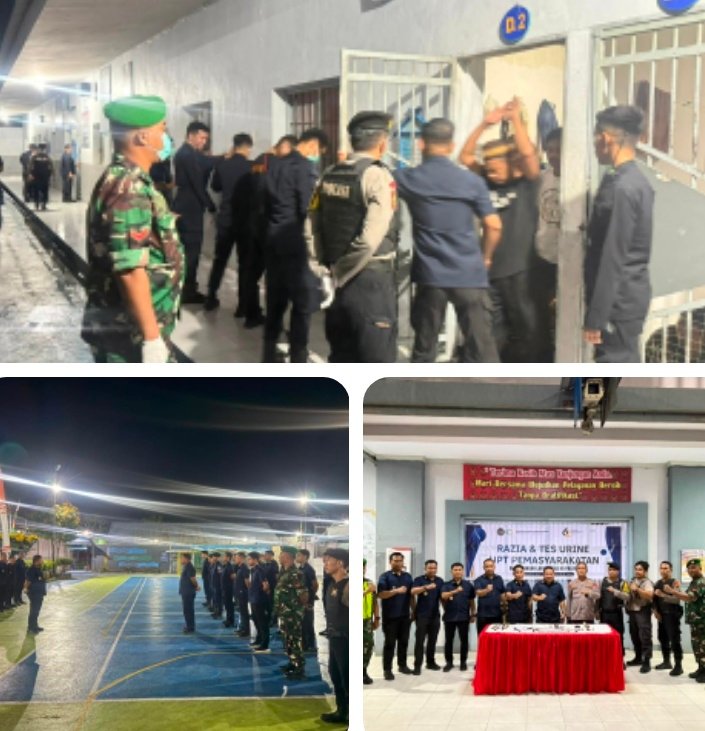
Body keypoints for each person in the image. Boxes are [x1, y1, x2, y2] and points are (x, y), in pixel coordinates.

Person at [81, 95, 184, 363]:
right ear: (142, 137)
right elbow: (129, 270)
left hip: (131, 329)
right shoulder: (128, 187)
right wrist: (151, 339)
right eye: (162, 129)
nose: (166, 138)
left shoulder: (130, 180)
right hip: (129, 337)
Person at [394, 118, 501, 363]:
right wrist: (485, 258)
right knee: (482, 349)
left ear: (421, 144)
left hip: (430, 276)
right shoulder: (472, 181)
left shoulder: (409, 178)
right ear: (451, 146)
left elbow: (376, 178)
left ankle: (416, 387)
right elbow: (494, 225)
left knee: (424, 349)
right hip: (469, 273)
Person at [307, 111, 399, 363]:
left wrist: (323, 271)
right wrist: (340, 272)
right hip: (369, 281)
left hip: (334, 280)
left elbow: (310, 226)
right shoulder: (378, 177)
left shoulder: (328, 174)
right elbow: (369, 240)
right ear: (382, 144)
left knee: (341, 355)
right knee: (376, 363)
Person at [459, 98, 541, 362]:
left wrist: (515, 119)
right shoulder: (486, 181)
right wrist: (485, 124)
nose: (491, 174)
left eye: (496, 169)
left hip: (522, 272)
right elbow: (465, 157)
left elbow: (528, 155)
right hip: (492, 271)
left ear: (511, 164)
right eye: (489, 170)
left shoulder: (527, 183)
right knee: (495, 333)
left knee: (528, 332)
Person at [584, 106, 654, 362]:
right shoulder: (624, 179)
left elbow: (614, 255)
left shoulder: (624, 187)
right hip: (623, 297)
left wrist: (597, 316)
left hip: (618, 302)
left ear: (605, 138)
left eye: (594, 137)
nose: (594, 145)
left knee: (614, 368)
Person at [263, 128, 329, 362]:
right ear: (313, 145)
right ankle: (298, 356)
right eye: (319, 151)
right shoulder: (305, 169)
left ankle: (268, 353)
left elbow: (266, 202)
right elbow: (309, 209)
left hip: (273, 239)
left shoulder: (275, 164)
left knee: (275, 300)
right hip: (296, 242)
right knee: (302, 303)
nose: (317, 156)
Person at [246, 135, 297, 329]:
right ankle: (274, 320)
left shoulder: (260, 160)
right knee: (274, 276)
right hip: (272, 226)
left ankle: (251, 314)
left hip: (255, 223)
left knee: (252, 272)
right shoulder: (279, 165)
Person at [205, 133, 254, 316]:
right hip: (245, 221)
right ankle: (242, 306)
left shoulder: (223, 165)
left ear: (234, 146)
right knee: (244, 264)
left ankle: (211, 297)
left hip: (226, 219)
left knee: (220, 260)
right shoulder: (251, 167)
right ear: (248, 147)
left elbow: (215, 187)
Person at [173, 120, 216, 303]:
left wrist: (221, 158)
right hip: (189, 209)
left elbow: (205, 162)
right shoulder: (187, 155)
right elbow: (197, 183)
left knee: (186, 251)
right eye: (201, 138)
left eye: (206, 139)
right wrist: (210, 204)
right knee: (192, 251)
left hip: (185, 205)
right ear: (190, 135)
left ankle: (184, 288)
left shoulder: (187, 153)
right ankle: (188, 291)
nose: (204, 142)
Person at [533, 127, 562, 362]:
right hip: (543, 257)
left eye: (558, 150)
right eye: (549, 150)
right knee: (543, 313)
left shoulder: (579, 181)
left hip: (570, 261)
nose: (552, 155)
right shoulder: (543, 179)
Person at [660, 558, 705, 682]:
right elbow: (685, 597)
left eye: (694, 568)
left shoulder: (701, 582)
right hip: (695, 620)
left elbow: (690, 598)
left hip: (702, 620)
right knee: (697, 646)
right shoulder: (694, 582)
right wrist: (674, 592)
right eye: (689, 568)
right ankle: (701, 668)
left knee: (703, 646)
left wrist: (672, 591)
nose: (691, 570)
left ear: (700, 568)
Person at [321, 548, 349, 725]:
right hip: (334, 638)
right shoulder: (332, 585)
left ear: (340, 563)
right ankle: (342, 711)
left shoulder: (348, 586)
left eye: (328, 560)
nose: (325, 564)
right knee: (336, 675)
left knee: (347, 678)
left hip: (346, 639)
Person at [377, 551, 413, 680]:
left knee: (403, 642)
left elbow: (411, 596)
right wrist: (396, 591)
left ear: (403, 562)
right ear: (390, 562)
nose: (398, 563)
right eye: (395, 561)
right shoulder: (385, 577)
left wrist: (414, 610)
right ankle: (387, 670)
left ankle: (402, 666)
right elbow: (381, 594)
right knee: (390, 644)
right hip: (390, 617)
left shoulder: (408, 577)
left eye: (400, 561)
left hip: (404, 616)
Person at [274, 546, 308, 679]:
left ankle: (299, 668)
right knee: (288, 640)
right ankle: (292, 662)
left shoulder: (295, 573)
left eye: (281, 554)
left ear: (287, 556)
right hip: (285, 612)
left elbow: (303, 594)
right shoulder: (284, 572)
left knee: (294, 640)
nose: (279, 556)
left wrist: (298, 610)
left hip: (292, 613)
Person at [410, 559, 444, 675]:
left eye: (434, 568)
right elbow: (413, 591)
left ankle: (430, 662)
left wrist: (446, 610)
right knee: (420, 641)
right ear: (425, 569)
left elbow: (441, 597)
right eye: (430, 568)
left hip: (435, 615)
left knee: (432, 640)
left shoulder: (440, 581)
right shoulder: (419, 580)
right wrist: (426, 587)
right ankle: (417, 665)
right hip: (422, 615)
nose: (432, 570)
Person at [441, 562, 476, 672]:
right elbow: (443, 596)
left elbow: (471, 601)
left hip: (464, 617)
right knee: (449, 641)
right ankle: (449, 662)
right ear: (451, 571)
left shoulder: (468, 585)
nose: (457, 572)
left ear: (463, 571)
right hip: (449, 617)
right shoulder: (446, 585)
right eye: (455, 570)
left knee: (464, 641)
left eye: (460, 570)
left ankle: (463, 662)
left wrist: (473, 613)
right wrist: (455, 591)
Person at [652, 560, 684, 675]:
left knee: (674, 640)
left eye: (666, 568)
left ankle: (678, 666)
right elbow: (654, 599)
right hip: (661, 616)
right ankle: (666, 662)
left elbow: (676, 600)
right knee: (663, 639)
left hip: (672, 615)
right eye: (661, 568)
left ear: (671, 570)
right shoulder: (658, 583)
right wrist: (655, 611)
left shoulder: (674, 582)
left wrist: (663, 595)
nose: (663, 570)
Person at [625, 560, 655, 673]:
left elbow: (649, 595)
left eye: (640, 569)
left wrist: (637, 589)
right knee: (634, 636)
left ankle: (646, 661)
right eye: (636, 569)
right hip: (632, 611)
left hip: (643, 611)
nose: (637, 571)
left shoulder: (647, 582)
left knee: (645, 636)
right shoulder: (633, 580)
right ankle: (638, 658)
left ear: (645, 571)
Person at [598, 562, 630, 660]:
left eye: (613, 570)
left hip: (616, 613)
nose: (611, 572)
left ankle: (620, 659)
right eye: (610, 570)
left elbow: (627, 597)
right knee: (604, 637)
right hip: (604, 613)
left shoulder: (623, 583)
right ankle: (605, 658)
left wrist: (615, 591)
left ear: (618, 571)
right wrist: (596, 611)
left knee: (618, 636)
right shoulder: (602, 582)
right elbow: (598, 598)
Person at [473, 558, 505, 635]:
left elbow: (502, 594)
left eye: (491, 566)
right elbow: (478, 593)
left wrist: (504, 607)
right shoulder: (479, 580)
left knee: (497, 637)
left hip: (497, 614)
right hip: (483, 615)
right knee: (482, 637)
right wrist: (486, 590)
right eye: (487, 566)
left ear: (494, 567)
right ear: (483, 567)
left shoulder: (499, 579)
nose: (489, 568)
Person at [246, 551, 270, 652]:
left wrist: (262, 595)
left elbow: (266, 585)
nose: (248, 561)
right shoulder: (253, 570)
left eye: (249, 559)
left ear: (255, 560)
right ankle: (259, 639)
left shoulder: (260, 570)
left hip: (259, 600)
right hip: (253, 599)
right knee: (256, 621)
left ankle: (264, 644)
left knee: (262, 623)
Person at [296, 548, 319, 652]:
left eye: (299, 555)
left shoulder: (309, 569)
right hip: (301, 600)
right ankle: (304, 643)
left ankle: (310, 645)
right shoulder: (300, 568)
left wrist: (310, 600)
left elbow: (315, 585)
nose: (297, 557)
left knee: (308, 622)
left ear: (305, 557)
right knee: (302, 623)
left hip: (307, 601)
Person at [362, 559, 379, 685]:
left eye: (363, 567)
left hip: (366, 621)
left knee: (368, 646)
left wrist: (377, 618)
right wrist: (367, 591)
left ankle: (363, 671)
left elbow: (375, 602)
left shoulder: (369, 583)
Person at [23, 554, 46, 634]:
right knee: (34, 610)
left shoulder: (38, 569)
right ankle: (31, 628)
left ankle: (35, 626)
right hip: (34, 593)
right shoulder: (31, 570)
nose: (42, 561)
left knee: (36, 611)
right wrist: (25, 588)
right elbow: (28, 580)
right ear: (37, 561)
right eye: (41, 560)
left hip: (39, 593)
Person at [29, 143, 54, 211]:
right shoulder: (46, 157)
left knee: (39, 191)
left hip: (39, 177)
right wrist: (51, 175)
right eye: (42, 149)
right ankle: (41, 204)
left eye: (42, 149)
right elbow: (51, 167)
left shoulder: (35, 157)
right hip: (41, 177)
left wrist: (30, 174)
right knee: (42, 191)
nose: (42, 150)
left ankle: (40, 204)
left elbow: (30, 166)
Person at [179, 552, 199, 633]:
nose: (181, 559)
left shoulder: (190, 567)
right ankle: (189, 625)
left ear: (186, 559)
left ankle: (190, 627)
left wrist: (196, 586)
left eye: (182, 558)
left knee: (188, 610)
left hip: (188, 593)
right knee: (187, 610)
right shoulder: (186, 566)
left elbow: (193, 579)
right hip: (185, 592)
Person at [234, 551, 250, 636]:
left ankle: (246, 630)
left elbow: (247, 582)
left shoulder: (244, 568)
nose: (235, 559)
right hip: (239, 594)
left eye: (236, 558)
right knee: (241, 612)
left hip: (243, 594)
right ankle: (242, 627)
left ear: (241, 558)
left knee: (244, 612)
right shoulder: (239, 568)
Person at [262, 549, 279, 629]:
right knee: (267, 605)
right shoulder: (265, 564)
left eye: (266, 555)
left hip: (272, 588)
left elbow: (276, 577)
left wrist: (272, 588)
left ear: (270, 555)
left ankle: (273, 621)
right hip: (265, 588)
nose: (264, 556)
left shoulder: (274, 564)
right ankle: (268, 619)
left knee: (272, 605)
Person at [221, 552, 236, 628]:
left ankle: (230, 621)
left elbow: (233, 578)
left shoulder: (230, 567)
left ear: (228, 558)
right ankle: (228, 619)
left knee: (229, 605)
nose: (223, 557)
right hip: (225, 589)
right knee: (227, 605)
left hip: (228, 589)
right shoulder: (225, 566)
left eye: (224, 556)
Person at [210, 552, 223, 619]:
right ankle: (216, 611)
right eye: (213, 556)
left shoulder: (219, 565)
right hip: (214, 585)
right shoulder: (214, 565)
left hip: (218, 586)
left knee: (218, 600)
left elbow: (221, 575)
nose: (213, 558)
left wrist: (221, 586)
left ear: (218, 558)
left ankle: (219, 613)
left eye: (215, 556)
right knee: (215, 599)